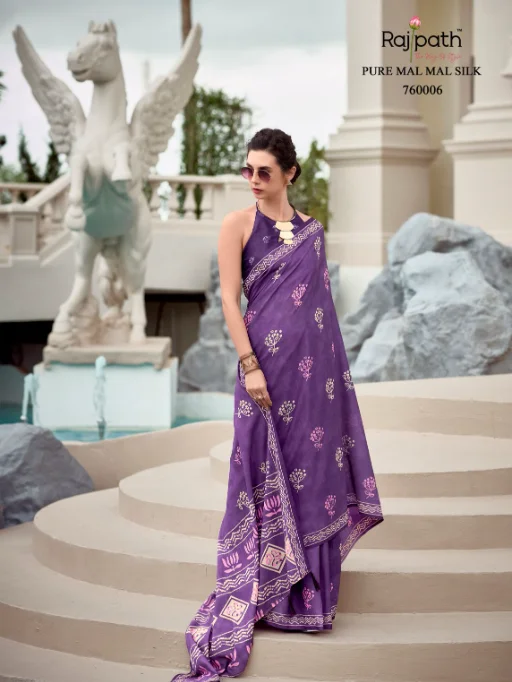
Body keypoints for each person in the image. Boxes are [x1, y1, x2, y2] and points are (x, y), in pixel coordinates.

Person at [171, 128, 384, 682]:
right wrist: (249, 364)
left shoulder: (313, 233)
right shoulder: (237, 225)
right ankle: (263, 587)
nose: (253, 180)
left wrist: (334, 388)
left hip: (312, 383)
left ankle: (306, 601)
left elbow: (322, 314)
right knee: (258, 473)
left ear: (289, 173)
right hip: (262, 374)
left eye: (263, 171)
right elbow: (228, 298)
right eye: (248, 170)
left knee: (313, 475)